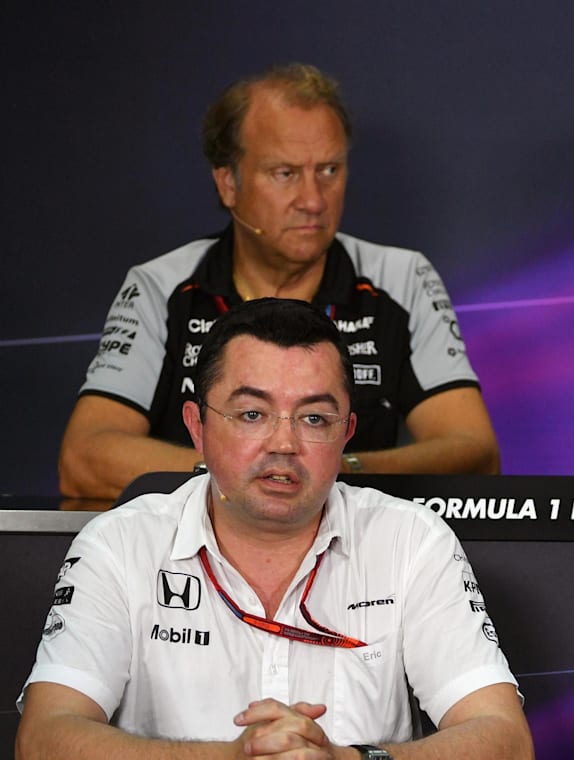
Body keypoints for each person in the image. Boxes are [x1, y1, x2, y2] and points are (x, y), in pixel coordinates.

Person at [17, 299, 533, 760]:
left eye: (313, 419)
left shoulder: (412, 541)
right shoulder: (119, 545)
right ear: (197, 427)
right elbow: (44, 746)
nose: (282, 444)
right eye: (251, 414)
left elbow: (505, 745)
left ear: (346, 433)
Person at [58, 63, 501, 502]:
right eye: (285, 174)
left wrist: (338, 470)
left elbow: (474, 452)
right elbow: (85, 458)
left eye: (329, 170)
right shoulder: (161, 287)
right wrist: (246, 472)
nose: (312, 200)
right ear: (228, 182)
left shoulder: (401, 279)